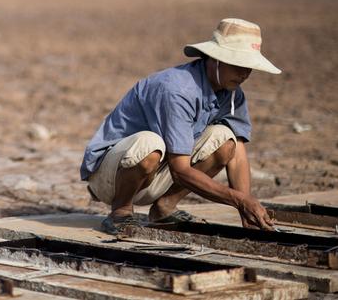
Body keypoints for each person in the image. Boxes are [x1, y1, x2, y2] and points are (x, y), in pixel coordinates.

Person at [79, 18, 281, 235]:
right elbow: (180, 170)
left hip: (157, 173)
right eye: (238, 64)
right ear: (215, 59)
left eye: (249, 67)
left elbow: (238, 152)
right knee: (150, 144)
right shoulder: (177, 90)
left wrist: (246, 211)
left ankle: (164, 207)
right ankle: (121, 210)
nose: (245, 74)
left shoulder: (232, 93)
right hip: (112, 177)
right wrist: (238, 200)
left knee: (226, 138)